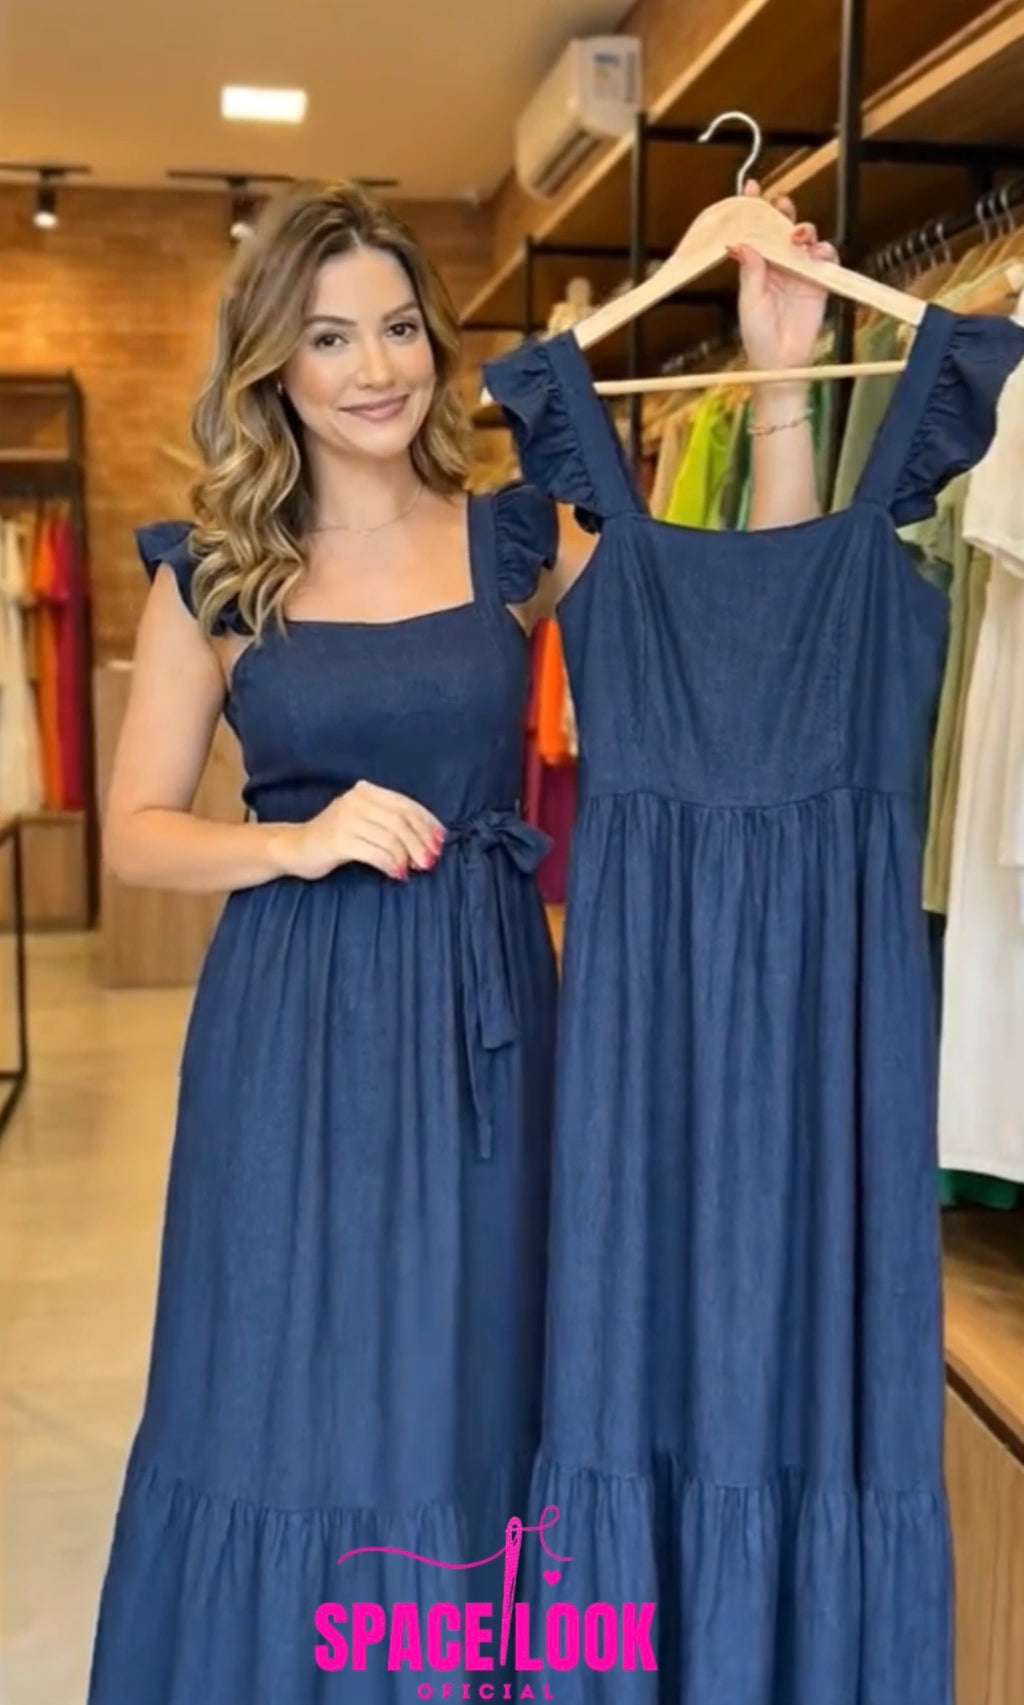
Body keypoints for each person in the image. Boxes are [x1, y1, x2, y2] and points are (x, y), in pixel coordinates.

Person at [89, 177, 835, 1704]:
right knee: (286, 1388)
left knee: (474, 1373)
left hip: (490, 1012)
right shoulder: (215, 570)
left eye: (399, 327)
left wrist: (779, 383)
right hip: (296, 1029)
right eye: (329, 337)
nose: (377, 367)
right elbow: (136, 831)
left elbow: (739, 638)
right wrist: (293, 838)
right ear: (271, 364)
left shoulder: (514, 534)